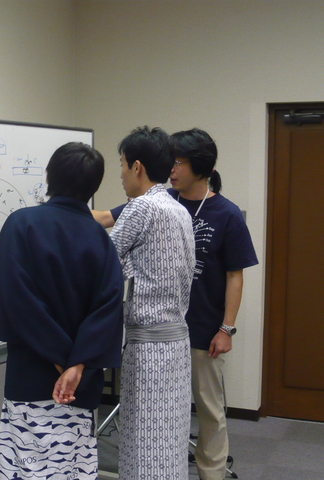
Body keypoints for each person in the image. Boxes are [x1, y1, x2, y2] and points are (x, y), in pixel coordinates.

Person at [94, 128, 259, 480]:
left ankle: (212, 473)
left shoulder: (223, 212)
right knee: (165, 420)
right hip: (171, 329)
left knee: (199, 413)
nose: (172, 168)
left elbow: (235, 275)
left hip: (196, 328)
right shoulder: (169, 202)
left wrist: (226, 328)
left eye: (179, 162)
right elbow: (108, 218)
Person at [0, 142, 124, 480]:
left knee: (26, 468)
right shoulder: (101, 239)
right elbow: (108, 310)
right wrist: (75, 365)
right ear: (93, 187)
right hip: (79, 384)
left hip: (32, 376)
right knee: (70, 466)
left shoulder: (21, 224)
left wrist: (60, 361)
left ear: (49, 176)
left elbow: (18, 302)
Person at [107, 126, 196, 480]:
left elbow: (106, 263)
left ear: (137, 167)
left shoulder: (141, 207)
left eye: (122, 165)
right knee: (169, 439)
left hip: (148, 346)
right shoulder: (178, 209)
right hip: (177, 342)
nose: (120, 174)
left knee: (144, 442)